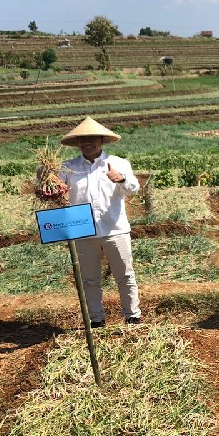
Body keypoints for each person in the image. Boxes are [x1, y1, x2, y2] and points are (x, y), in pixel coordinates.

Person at [59, 117, 143, 327]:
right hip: (83, 231)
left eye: (92, 139)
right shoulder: (68, 168)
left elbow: (134, 188)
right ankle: (96, 319)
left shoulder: (119, 163)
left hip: (115, 228)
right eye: (83, 139)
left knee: (125, 275)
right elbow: (54, 190)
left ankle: (132, 316)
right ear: (78, 143)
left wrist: (121, 179)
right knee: (89, 280)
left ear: (102, 140)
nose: (88, 143)